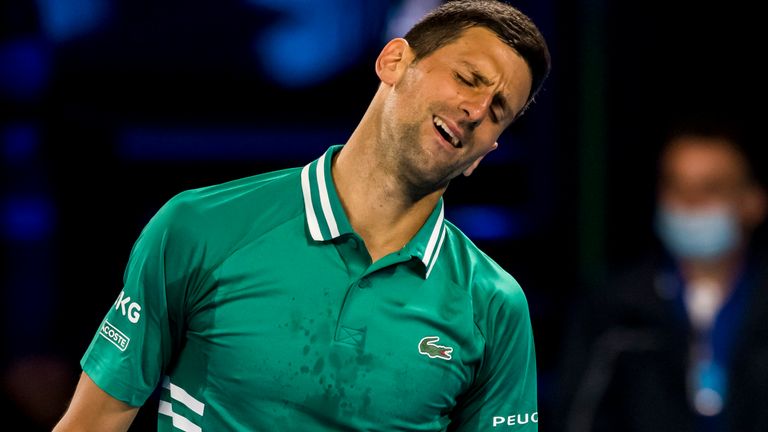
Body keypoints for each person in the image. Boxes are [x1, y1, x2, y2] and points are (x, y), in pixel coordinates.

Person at [53, 1, 551, 431]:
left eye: (499, 110)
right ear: (394, 60)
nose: (476, 109)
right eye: (468, 79)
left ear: (487, 151)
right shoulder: (199, 227)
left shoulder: (494, 306)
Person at [556, 121, 768, 432]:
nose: (689, 202)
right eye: (675, 185)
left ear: (753, 201)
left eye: (711, 188)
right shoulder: (614, 309)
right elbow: (575, 417)